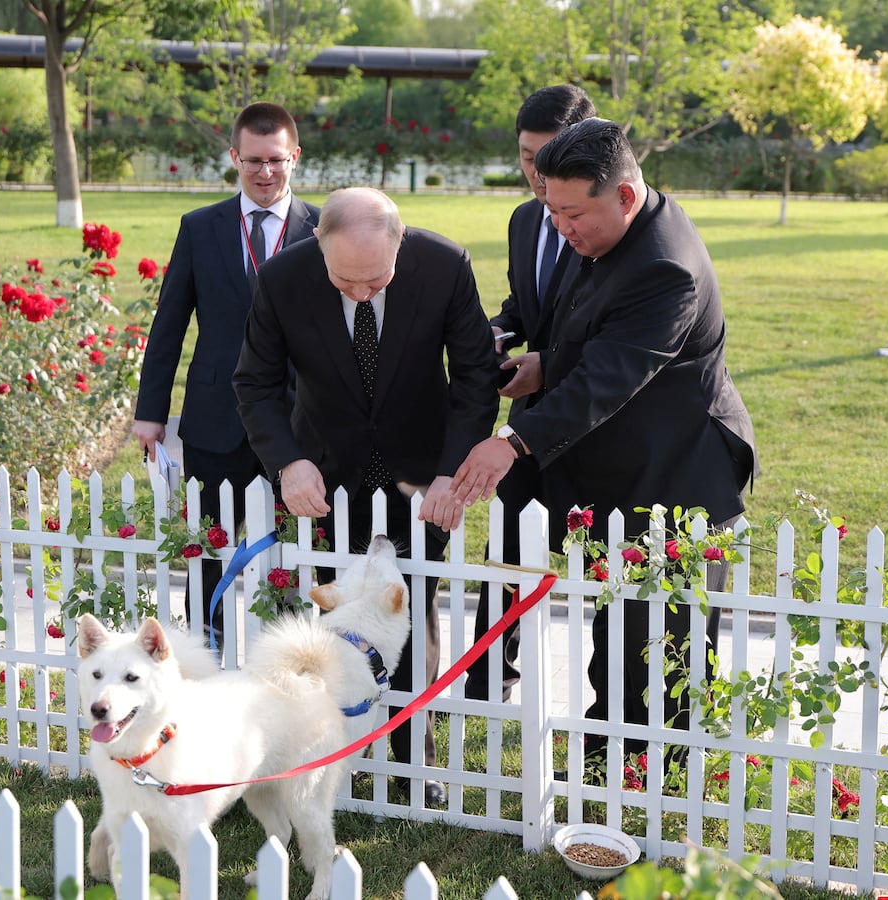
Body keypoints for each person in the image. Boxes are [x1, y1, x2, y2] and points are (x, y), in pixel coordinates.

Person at [450, 118, 758, 772]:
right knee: (615, 632)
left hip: (678, 477)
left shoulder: (665, 267)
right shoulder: (608, 231)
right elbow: (585, 336)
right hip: (622, 475)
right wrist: (542, 367)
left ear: (622, 194)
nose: (560, 226)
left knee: (660, 643)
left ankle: (652, 778)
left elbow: (611, 376)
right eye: (549, 209)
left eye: (571, 212)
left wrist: (513, 441)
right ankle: (608, 760)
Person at [234, 187, 500, 805]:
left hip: (421, 477)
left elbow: (474, 378)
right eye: (344, 280)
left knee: (412, 608)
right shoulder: (282, 279)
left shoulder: (445, 265)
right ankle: (335, 753)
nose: (360, 292)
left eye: (375, 279)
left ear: (400, 244)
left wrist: (451, 471)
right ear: (318, 248)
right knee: (338, 619)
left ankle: (415, 765)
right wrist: (289, 463)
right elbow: (256, 381)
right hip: (327, 476)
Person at [132, 102, 320, 638]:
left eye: (277, 160)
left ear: (295, 157)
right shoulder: (200, 228)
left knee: (288, 548)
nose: (265, 172)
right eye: (253, 160)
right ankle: (205, 647)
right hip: (216, 419)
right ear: (234, 157)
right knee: (207, 546)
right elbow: (169, 325)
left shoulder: (324, 226)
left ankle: (284, 654)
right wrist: (150, 413)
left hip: (296, 420)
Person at [465, 84, 596, 704]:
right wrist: (498, 331)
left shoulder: (602, 225)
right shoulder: (523, 220)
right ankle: (492, 677)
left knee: (604, 569)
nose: (539, 176)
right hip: (528, 416)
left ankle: (611, 698)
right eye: (526, 157)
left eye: (550, 158)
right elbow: (527, 305)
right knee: (506, 554)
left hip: (598, 418)